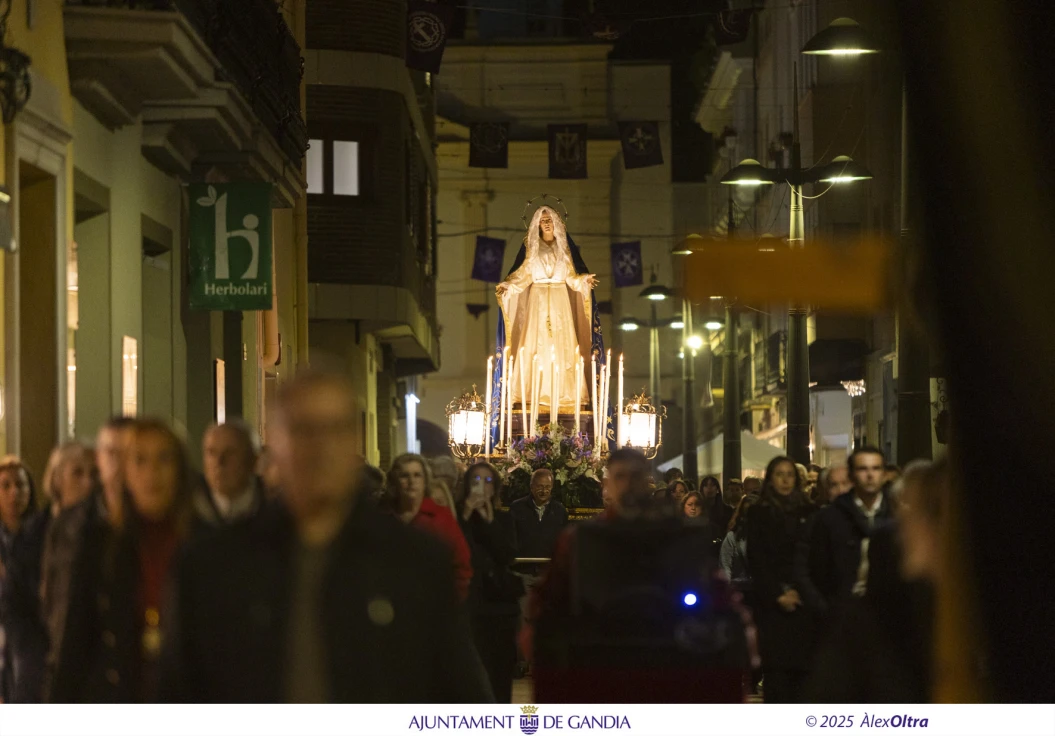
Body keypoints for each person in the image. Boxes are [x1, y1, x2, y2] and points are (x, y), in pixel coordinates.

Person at [159, 371, 491, 703]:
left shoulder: (415, 563)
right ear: (274, 445)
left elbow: (456, 692)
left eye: (334, 430)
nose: (320, 447)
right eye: (302, 430)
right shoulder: (213, 565)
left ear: (352, 443)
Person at [523, 449, 750, 702]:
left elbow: (715, 595)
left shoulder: (676, 534)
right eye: (621, 477)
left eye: (636, 476)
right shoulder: (581, 539)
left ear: (647, 482)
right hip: (600, 658)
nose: (629, 485)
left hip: (667, 655)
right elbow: (549, 602)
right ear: (607, 484)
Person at [50, 420, 195, 702]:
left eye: (163, 459)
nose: (152, 473)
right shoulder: (101, 545)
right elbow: (75, 645)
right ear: (126, 473)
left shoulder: (205, 545)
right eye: (140, 461)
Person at [496, 206, 598, 409]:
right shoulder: (532, 248)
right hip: (538, 301)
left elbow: (571, 276)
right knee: (536, 344)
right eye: (543, 220)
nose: (546, 222)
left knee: (563, 346)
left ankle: (565, 394)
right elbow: (523, 275)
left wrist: (584, 280)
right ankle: (530, 393)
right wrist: (508, 286)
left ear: (557, 223)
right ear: (537, 224)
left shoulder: (564, 249)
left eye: (550, 219)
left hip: (561, 302)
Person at [745, 456, 818, 703]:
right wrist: (777, 593)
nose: (785, 480)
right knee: (777, 675)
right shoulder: (758, 513)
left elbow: (814, 557)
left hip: (803, 599)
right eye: (780, 474)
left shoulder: (809, 511)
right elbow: (757, 558)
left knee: (803, 674)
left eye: (790, 474)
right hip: (771, 601)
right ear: (770, 479)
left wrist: (799, 590)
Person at [797, 446, 896, 620]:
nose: (870, 475)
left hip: (888, 617)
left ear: (885, 474)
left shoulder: (898, 514)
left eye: (876, 468)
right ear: (853, 475)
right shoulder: (828, 518)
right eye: (863, 469)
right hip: (841, 615)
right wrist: (825, 608)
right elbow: (812, 568)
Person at [38, 442, 95, 700]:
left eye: (93, 474)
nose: (87, 482)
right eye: (78, 473)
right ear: (57, 478)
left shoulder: (89, 527)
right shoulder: (48, 526)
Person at [459, 462, 521, 703]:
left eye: (487, 482)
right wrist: (466, 513)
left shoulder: (505, 519)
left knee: (499, 675)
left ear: (495, 488)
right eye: (476, 481)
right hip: (468, 603)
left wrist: (489, 521)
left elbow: (507, 555)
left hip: (499, 606)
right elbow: (453, 547)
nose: (481, 487)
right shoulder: (457, 514)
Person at [388, 454, 473, 602]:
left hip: (433, 602)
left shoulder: (440, 517)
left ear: (425, 481)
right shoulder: (384, 516)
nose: (411, 481)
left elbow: (461, 563)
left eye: (417, 475)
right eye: (404, 476)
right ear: (395, 481)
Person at [0, 457, 47, 702]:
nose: (14, 493)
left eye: (20, 485)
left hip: (31, 638)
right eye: (5, 486)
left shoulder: (43, 535)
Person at [197, 421, 266, 526]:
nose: (219, 462)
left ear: (253, 460)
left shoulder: (273, 506)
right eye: (212, 452)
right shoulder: (187, 508)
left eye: (230, 453)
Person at [95, 417, 135, 528]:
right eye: (111, 452)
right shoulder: (74, 522)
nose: (119, 462)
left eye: (127, 453)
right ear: (97, 458)